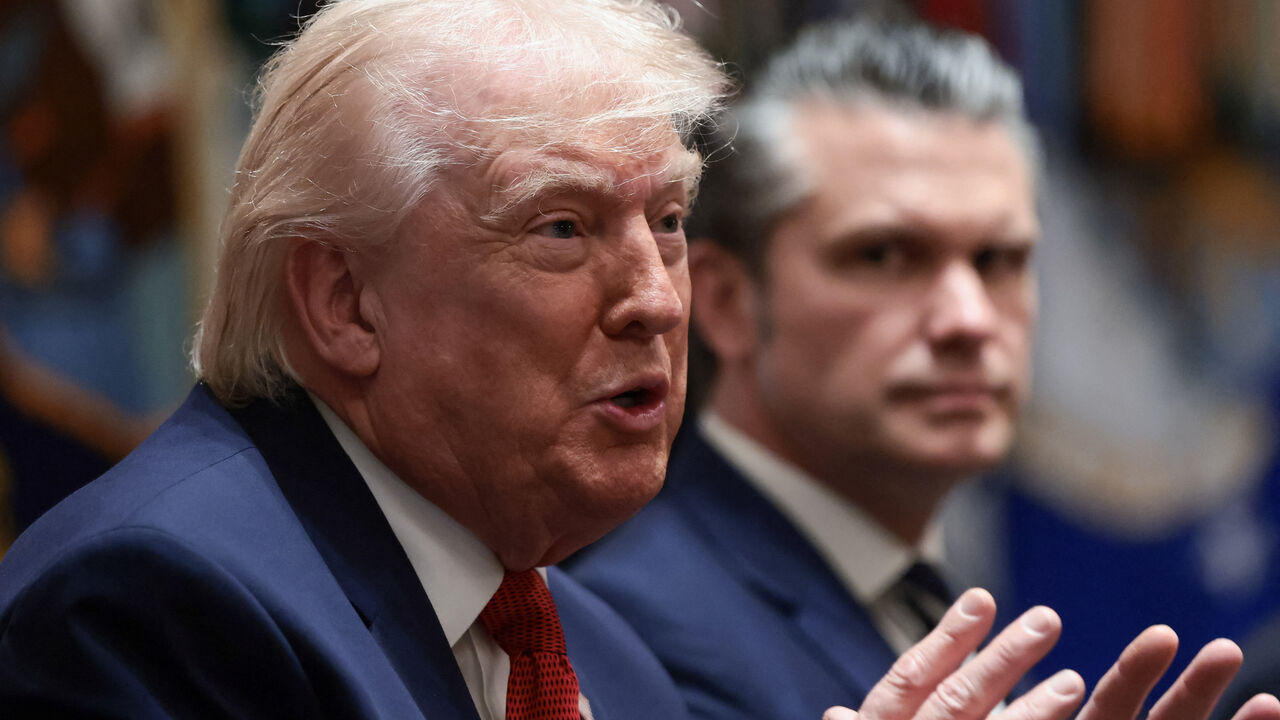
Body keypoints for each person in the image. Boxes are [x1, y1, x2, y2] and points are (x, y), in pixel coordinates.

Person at [0, 2, 1273, 720]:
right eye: (563, 228)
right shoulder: (153, 600)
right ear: (341, 300)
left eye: (665, 222)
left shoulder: (596, 653)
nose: (651, 297)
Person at [566, 14, 1278, 720]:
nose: (967, 319)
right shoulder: (635, 641)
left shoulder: (935, 590)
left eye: (1000, 260)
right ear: (725, 301)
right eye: (883, 256)